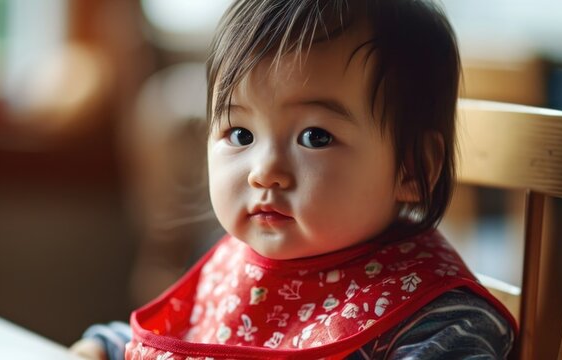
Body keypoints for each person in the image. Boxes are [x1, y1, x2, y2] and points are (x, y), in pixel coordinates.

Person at [71, 0, 516, 358]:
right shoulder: (238, 266)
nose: (265, 171)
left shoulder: (437, 320)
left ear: (413, 166)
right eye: (240, 133)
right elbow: (190, 337)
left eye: (315, 136)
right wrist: (103, 347)